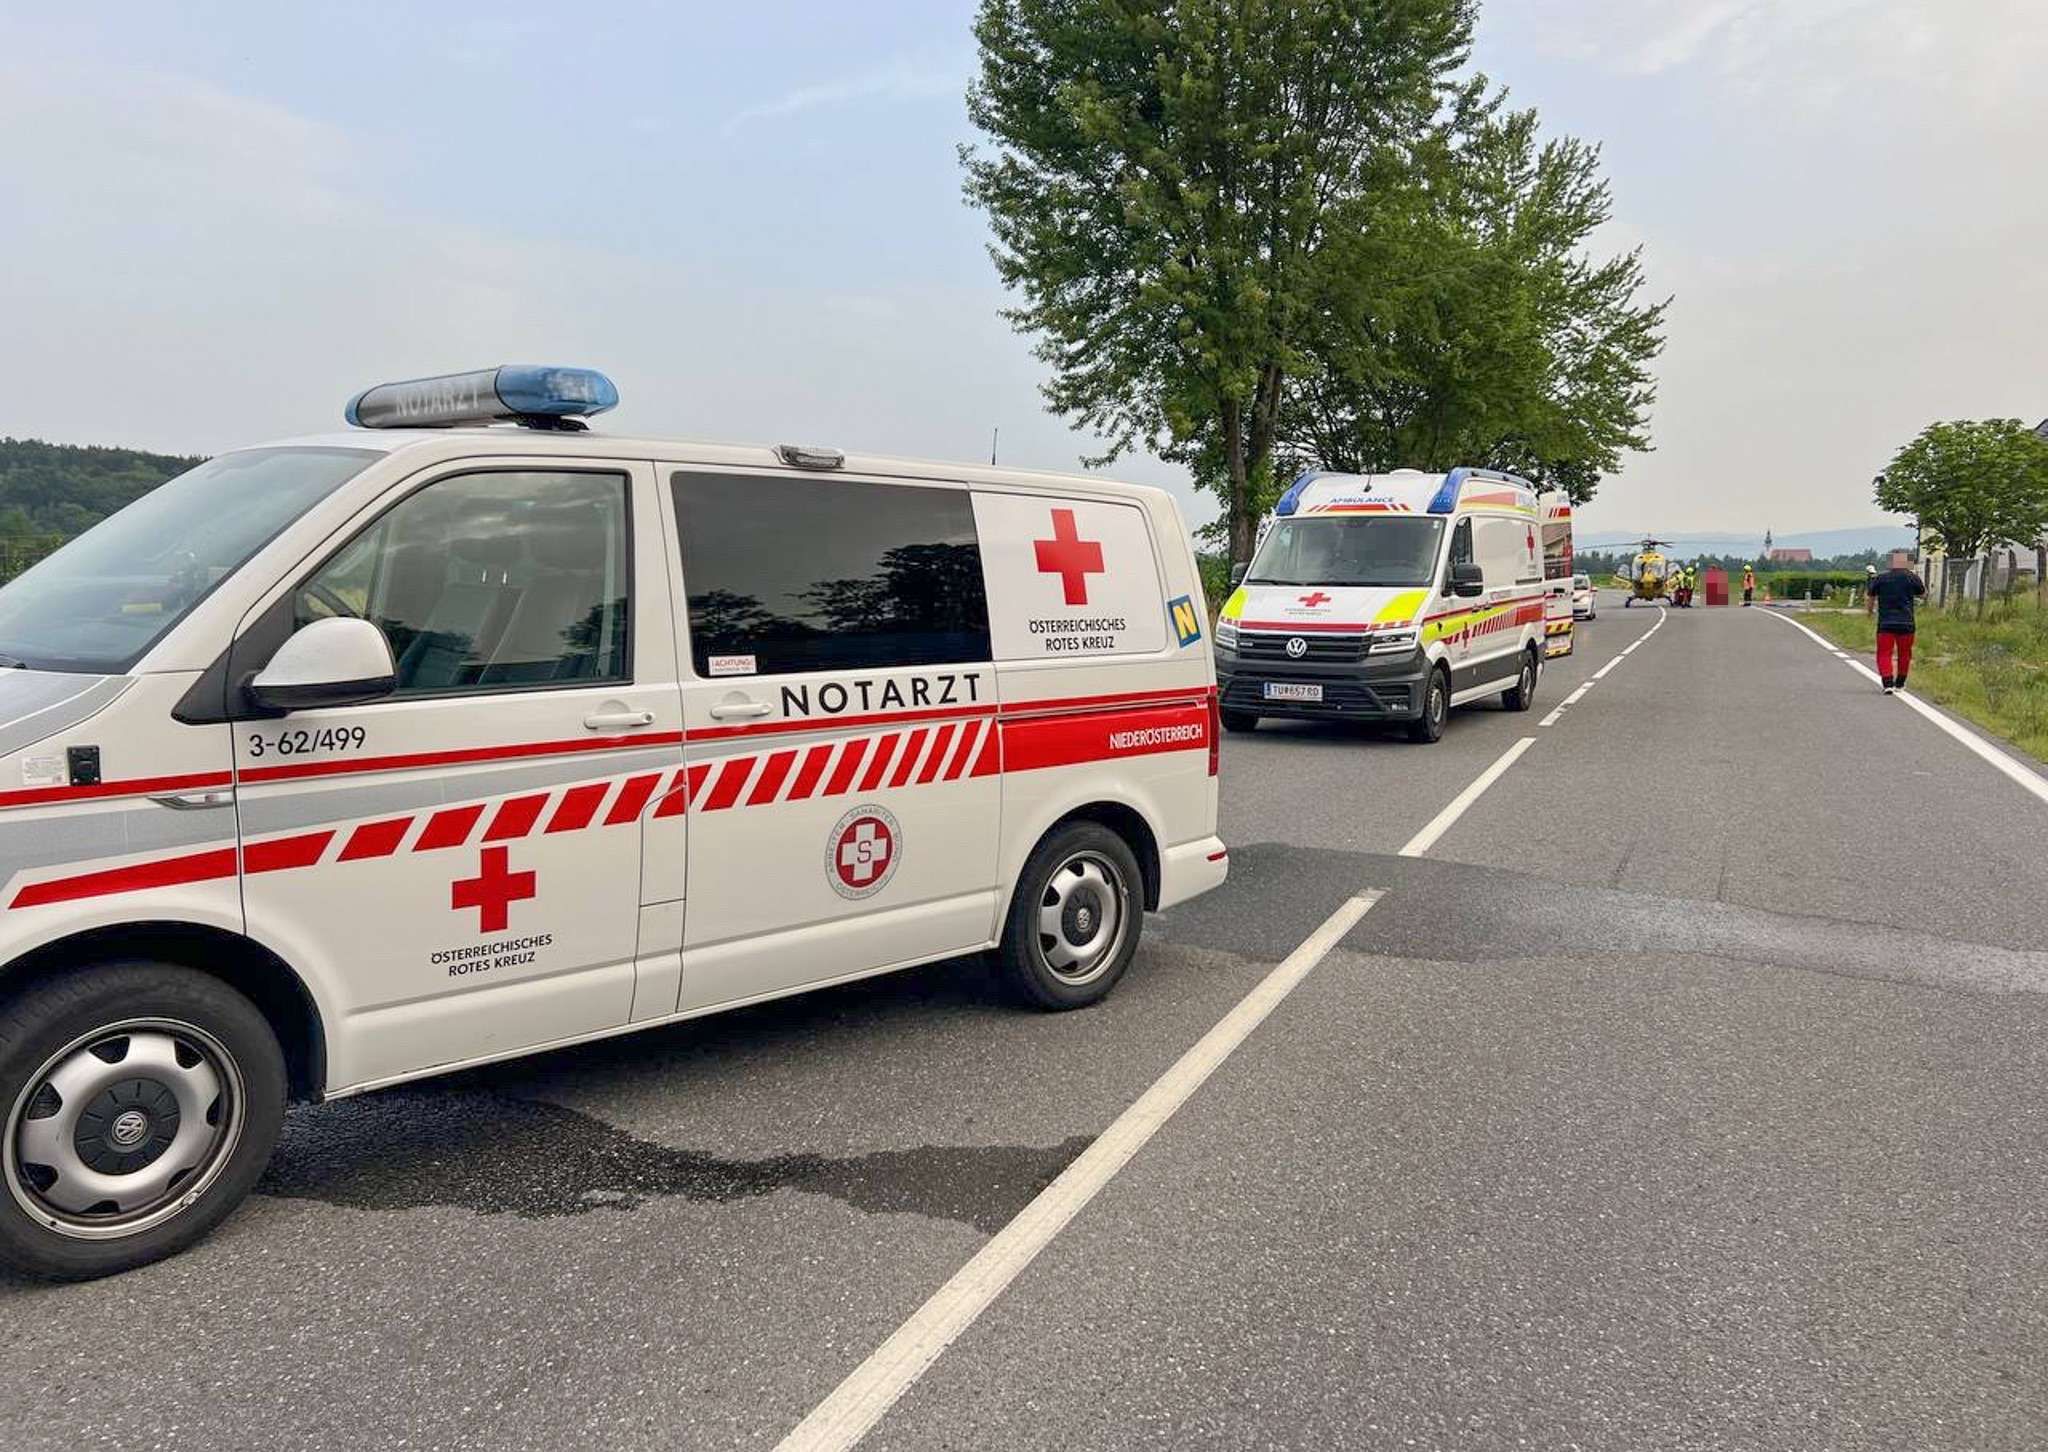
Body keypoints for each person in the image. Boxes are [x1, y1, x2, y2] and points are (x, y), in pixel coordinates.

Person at [1865, 549, 1926, 694]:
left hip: (1886, 622)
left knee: (1884, 653)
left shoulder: (1881, 578)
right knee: (1905, 653)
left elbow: (1871, 596)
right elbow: (1923, 594)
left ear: (1890, 562)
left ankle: (1887, 683)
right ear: (1906, 561)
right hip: (1907, 622)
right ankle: (1900, 683)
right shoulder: (1912, 577)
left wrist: (1869, 612)